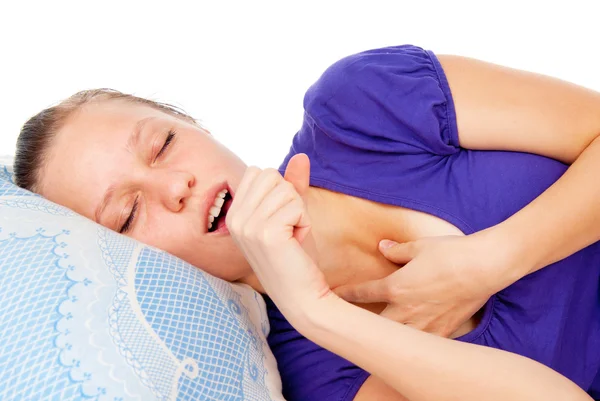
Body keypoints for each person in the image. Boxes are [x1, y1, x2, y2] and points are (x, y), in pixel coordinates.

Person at [13, 45, 600, 400]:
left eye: (163, 143)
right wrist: (317, 312)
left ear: (191, 121)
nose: (175, 187)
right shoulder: (316, 373)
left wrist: (487, 263)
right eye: (128, 213)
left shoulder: (362, 104)